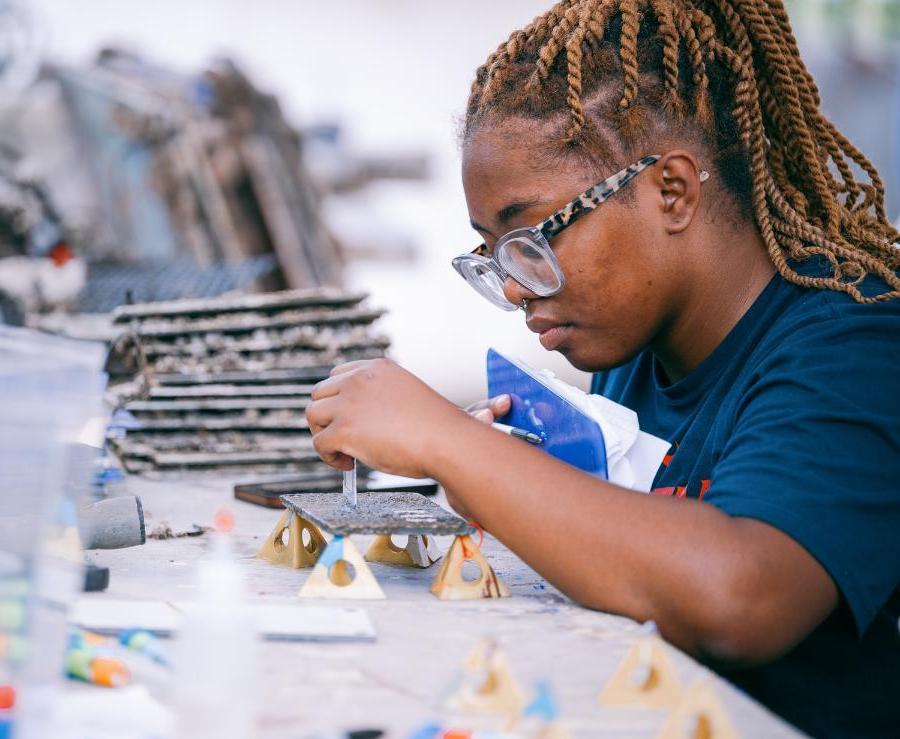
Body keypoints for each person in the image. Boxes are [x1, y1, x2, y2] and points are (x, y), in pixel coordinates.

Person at [305, 1, 900, 735]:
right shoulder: (638, 346)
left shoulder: (858, 346)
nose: (516, 286)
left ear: (671, 192)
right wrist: (502, 475)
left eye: (530, 238)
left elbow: (739, 597)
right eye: (493, 254)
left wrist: (451, 444)